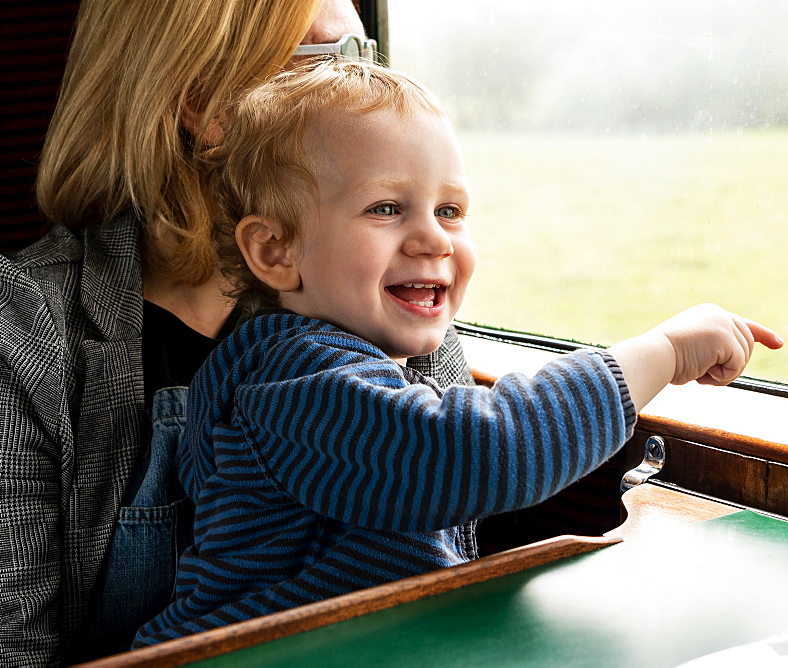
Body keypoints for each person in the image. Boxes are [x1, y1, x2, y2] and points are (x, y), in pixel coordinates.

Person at [131, 60, 783, 646]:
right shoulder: (294, 377)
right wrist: (659, 354)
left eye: (451, 210)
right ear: (276, 252)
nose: (432, 239)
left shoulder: (347, 360)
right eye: (386, 208)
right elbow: (477, 452)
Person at [0, 1, 472, 664]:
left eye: (367, 58)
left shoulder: (392, 296)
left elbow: (445, 591)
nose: (368, 94)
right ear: (203, 104)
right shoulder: (24, 328)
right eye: (331, 65)